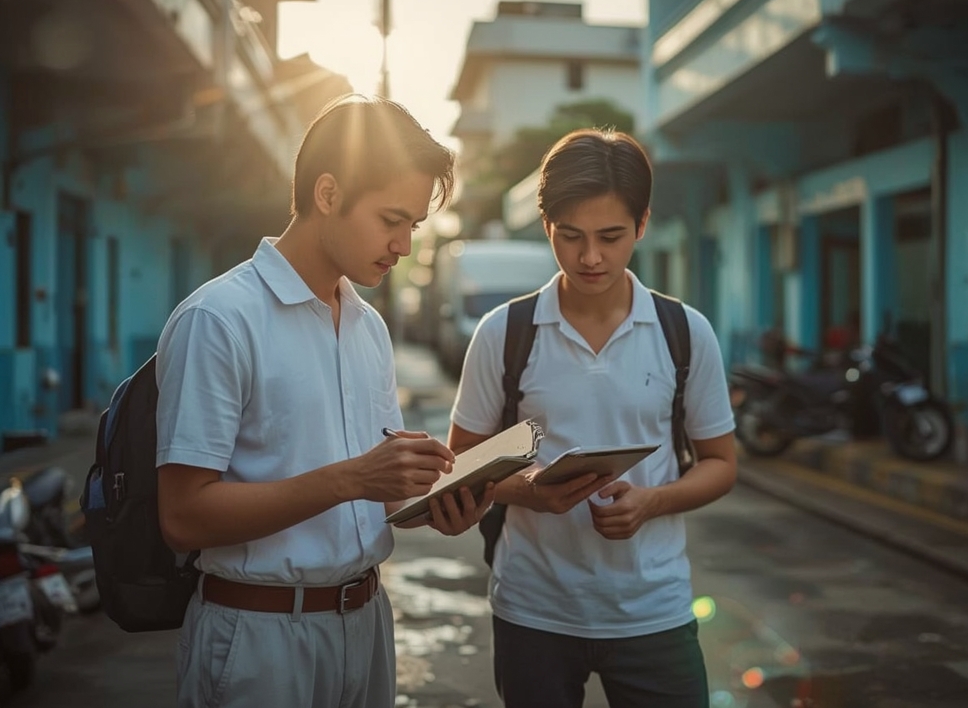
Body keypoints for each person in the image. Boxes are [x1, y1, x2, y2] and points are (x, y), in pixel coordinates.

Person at [155, 94, 494, 708]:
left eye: (414, 226)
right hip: (259, 637)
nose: (404, 245)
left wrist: (438, 502)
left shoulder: (368, 326)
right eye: (391, 219)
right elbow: (183, 517)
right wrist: (351, 478)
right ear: (329, 193)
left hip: (366, 622)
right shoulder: (220, 318)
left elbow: (377, 494)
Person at [448, 129, 738, 708]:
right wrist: (528, 491)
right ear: (546, 225)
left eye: (611, 236)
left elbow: (721, 463)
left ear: (643, 223)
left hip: (654, 611)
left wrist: (651, 502)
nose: (590, 258)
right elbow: (460, 466)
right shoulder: (504, 333)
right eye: (570, 236)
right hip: (534, 611)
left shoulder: (685, 332)